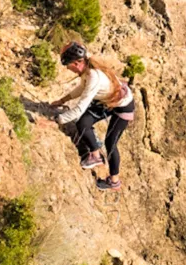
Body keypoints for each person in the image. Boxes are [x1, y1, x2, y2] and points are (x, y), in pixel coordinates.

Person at [49, 38, 134, 190]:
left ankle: (114, 181)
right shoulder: (87, 71)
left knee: (111, 143)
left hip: (123, 106)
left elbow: (79, 109)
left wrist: (56, 120)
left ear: (76, 63)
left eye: (68, 66)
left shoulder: (94, 76)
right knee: (83, 123)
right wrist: (62, 100)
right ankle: (95, 155)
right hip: (107, 101)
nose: (69, 70)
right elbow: (81, 89)